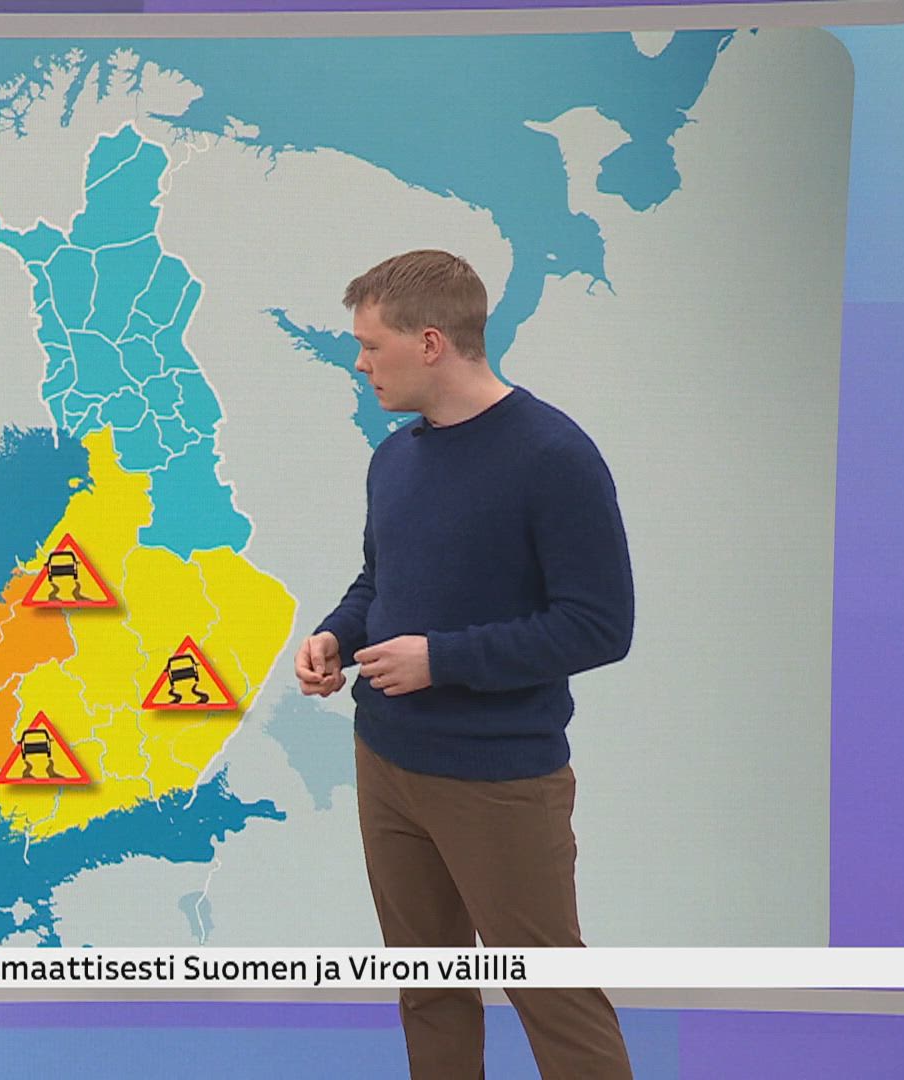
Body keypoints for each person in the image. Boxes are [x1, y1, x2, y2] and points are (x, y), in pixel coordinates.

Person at [295, 250, 636, 1078]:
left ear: (431, 342)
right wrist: (336, 636)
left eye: (371, 345)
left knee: (554, 997)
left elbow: (599, 626)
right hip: (386, 763)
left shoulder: (553, 456)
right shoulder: (395, 458)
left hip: (498, 781)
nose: (360, 362)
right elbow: (381, 581)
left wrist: (441, 660)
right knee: (429, 992)